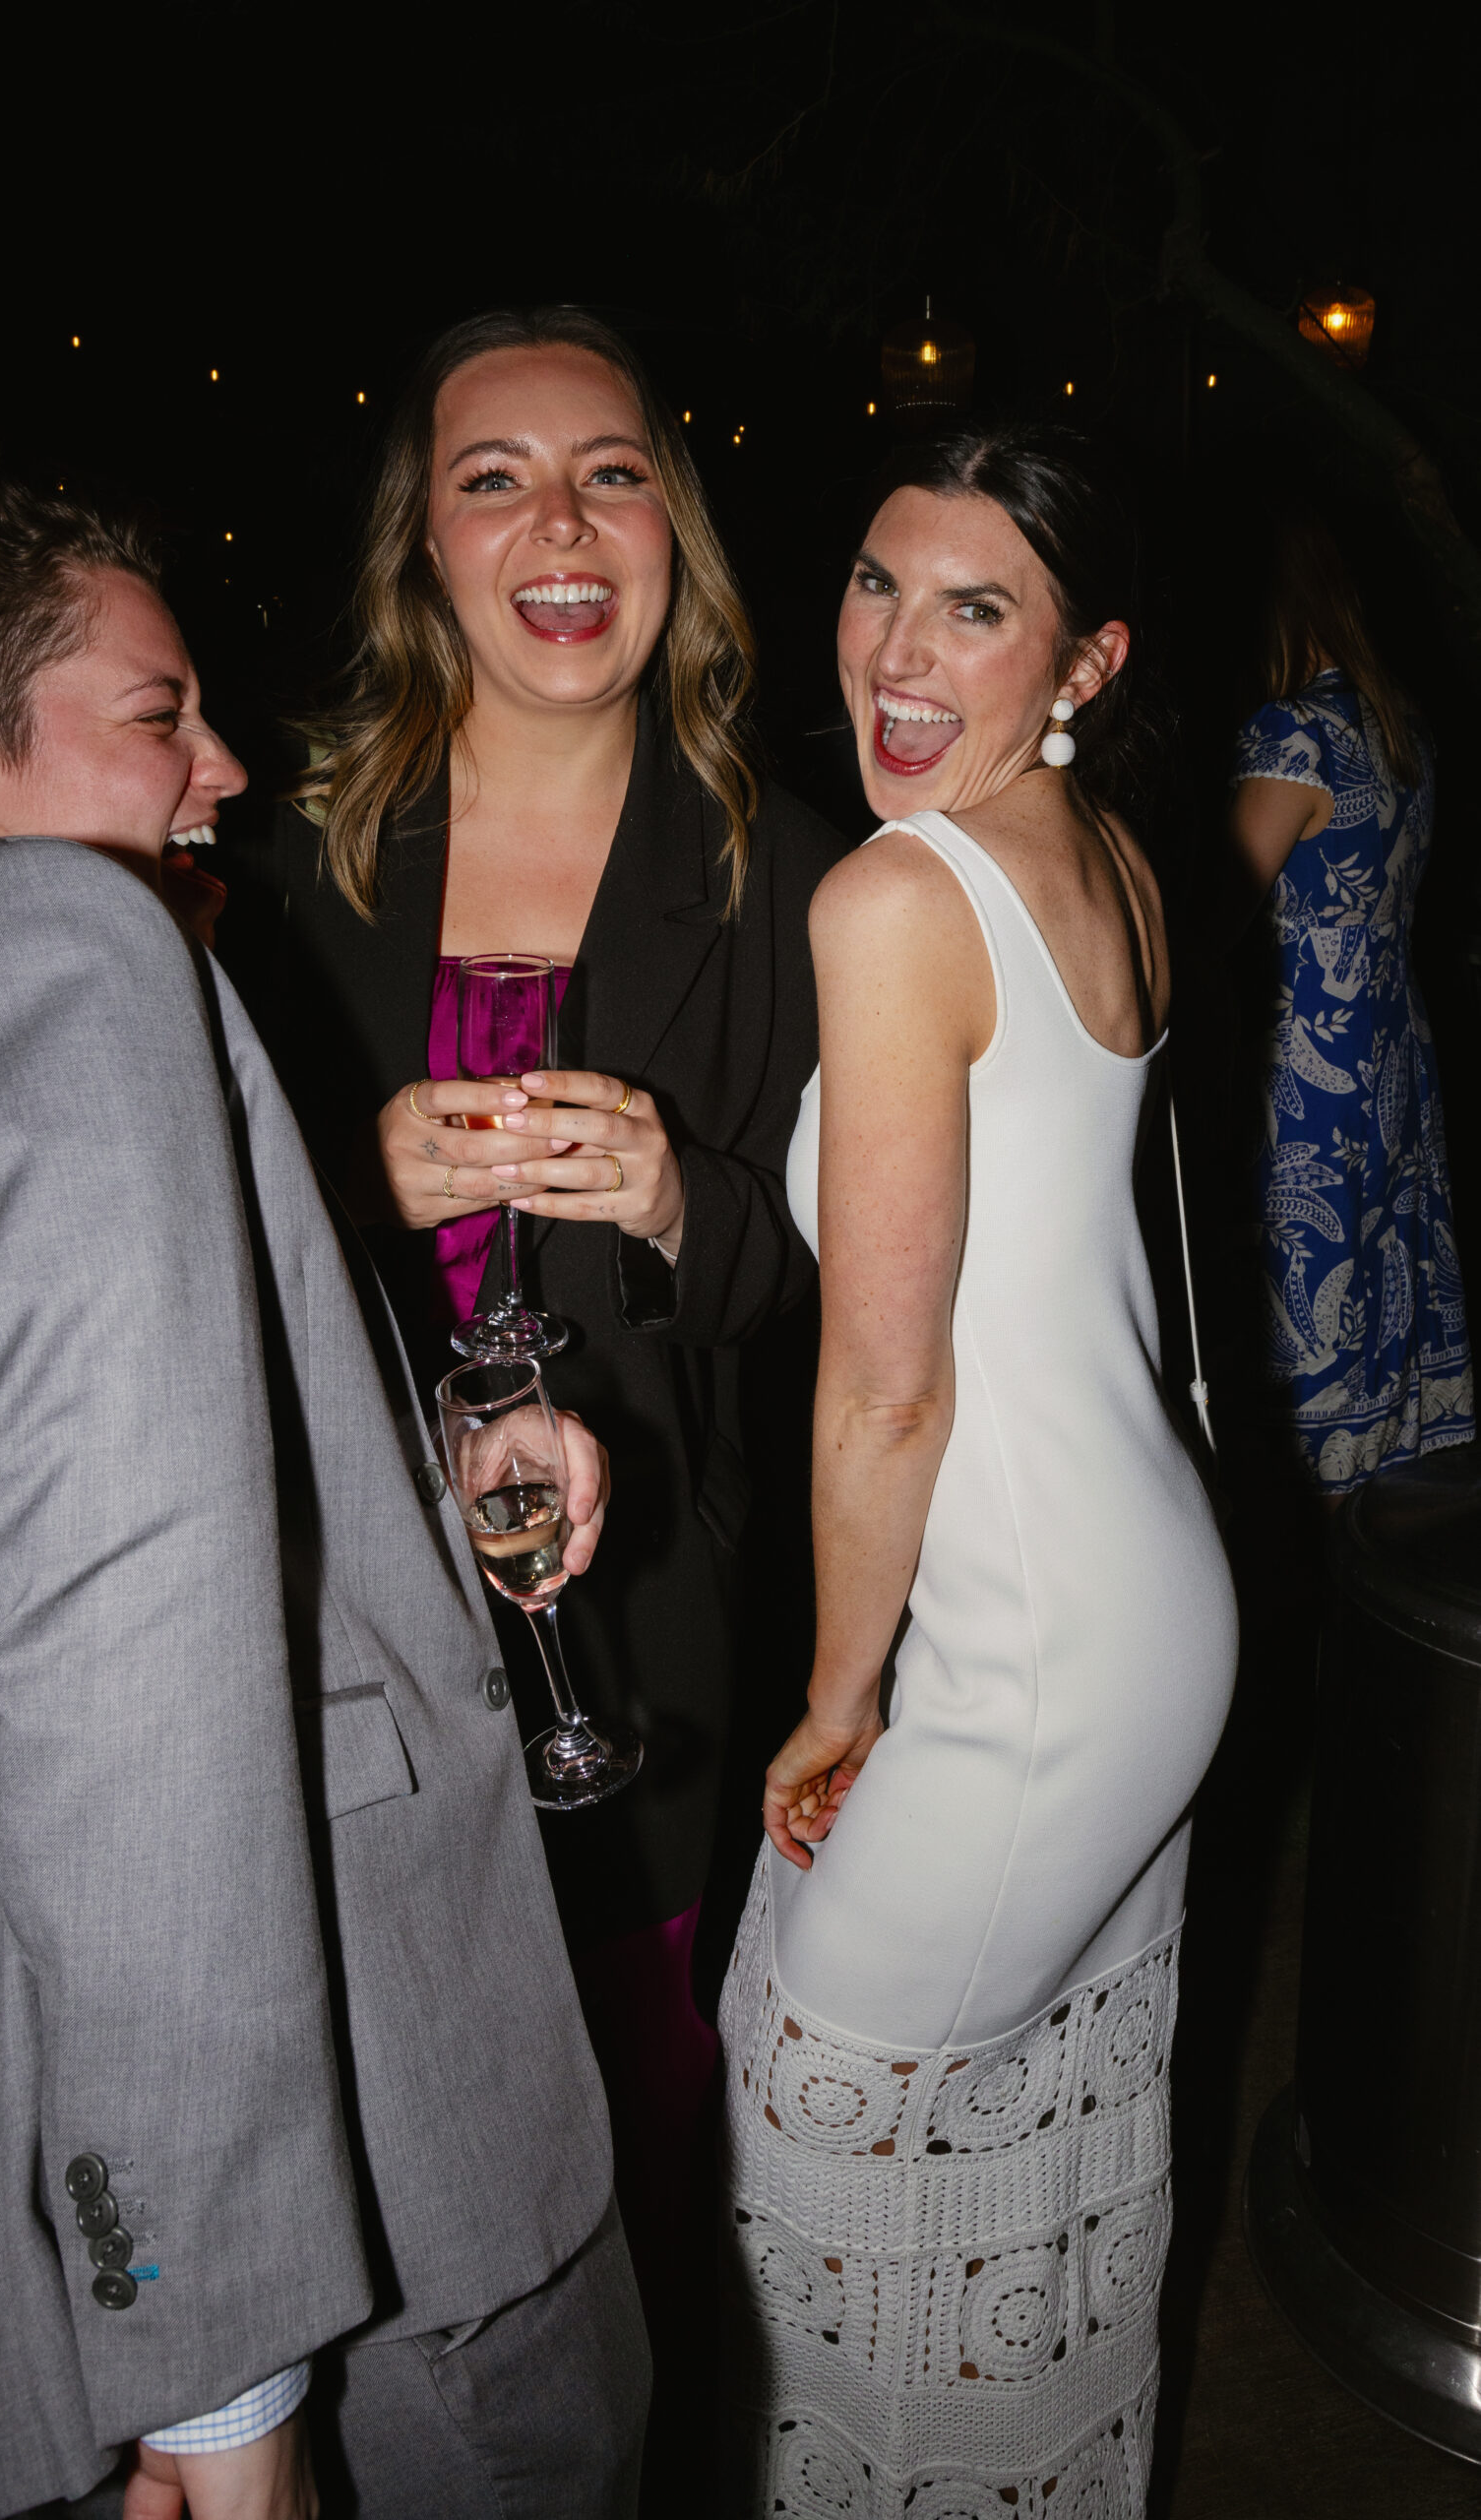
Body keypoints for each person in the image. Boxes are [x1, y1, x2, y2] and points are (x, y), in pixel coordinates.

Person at [0, 465, 647, 2520]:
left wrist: (421, 1476)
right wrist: (218, 2368)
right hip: (333, 2241)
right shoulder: (50, 939)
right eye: (155, 711)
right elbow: (118, 1650)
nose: (224, 764)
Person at [233, 306, 843, 2439]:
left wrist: (687, 1202)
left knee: (625, 2121)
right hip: (343, 1619)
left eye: (610, 469)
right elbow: (183, 1249)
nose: (561, 519)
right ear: (421, 544)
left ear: (671, 522)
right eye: (494, 474)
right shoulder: (288, 851)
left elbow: (841, 1291)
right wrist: (347, 1180)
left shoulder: (787, 864)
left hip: (648, 1624)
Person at [717, 426, 1238, 2514]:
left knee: (810, 2140)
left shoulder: (896, 891)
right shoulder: (1098, 852)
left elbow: (885, 1395)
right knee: (1017, 2161)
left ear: (1083, 657)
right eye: (870, 584)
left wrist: (840, 1698)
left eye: (973, 607)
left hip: (1033, 1653)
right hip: (1144, 1598)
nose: (895, 654)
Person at [1227, 497, 1473, 1493]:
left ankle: (1314, 1521)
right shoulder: (1401, 725)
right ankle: (1382, 1501)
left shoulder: (1296, 736)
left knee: (1311, 1276)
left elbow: (1216, 914)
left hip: (1312, 1053)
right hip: (1396, 1039)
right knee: (1384, 1270)